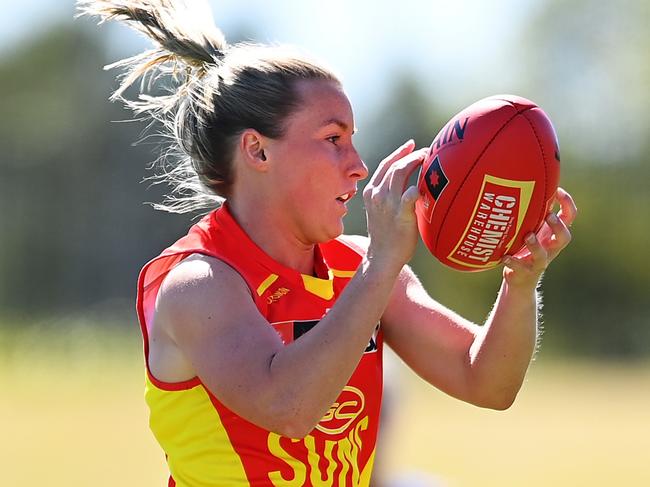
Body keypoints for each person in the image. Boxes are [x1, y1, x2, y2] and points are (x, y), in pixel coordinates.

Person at [78, 1, 577, 486]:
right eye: (333, 139)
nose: (359, 165)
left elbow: (486, 382)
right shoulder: (199, 284)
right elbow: (287, 408)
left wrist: (520, 281)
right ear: (257, 150)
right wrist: (381, 266)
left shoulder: (360, 267)